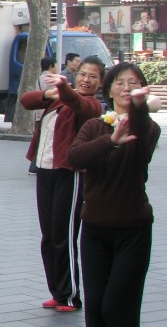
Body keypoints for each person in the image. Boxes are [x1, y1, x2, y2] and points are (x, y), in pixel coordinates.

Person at [67, 63, 160, 327]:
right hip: (95, 230)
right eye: (120, 82)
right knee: (95, 309)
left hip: (132, 230)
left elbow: (142, 132)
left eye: (133, 83)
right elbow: (74, 156)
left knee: (118, 308)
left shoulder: (148, 128)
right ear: (108, 90)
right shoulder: (94, 127)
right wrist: (111, 141)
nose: (126, 88)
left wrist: (139, 108)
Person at [19, 55, 105, 313]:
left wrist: (65, 90)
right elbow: (26, 100)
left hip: (70, 173)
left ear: (100, 83)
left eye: (93, 76)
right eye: (83, 74)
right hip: (45, 170)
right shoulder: (59, 100)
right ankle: (57, 292)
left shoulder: (91, 105)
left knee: (64, 237)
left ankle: (70, 296)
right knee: (48, 236)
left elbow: (82, 106)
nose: (86, 79)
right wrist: (50, 94)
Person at [27, 57, 60, 174]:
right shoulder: (50, 79)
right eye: (56, 64)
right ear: (51, 66)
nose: (57, 67)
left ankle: (34, 166)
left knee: (39, 139)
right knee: (43, 140)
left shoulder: (39, 78)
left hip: (38, 114)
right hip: (48, 114)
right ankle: (35, 166)